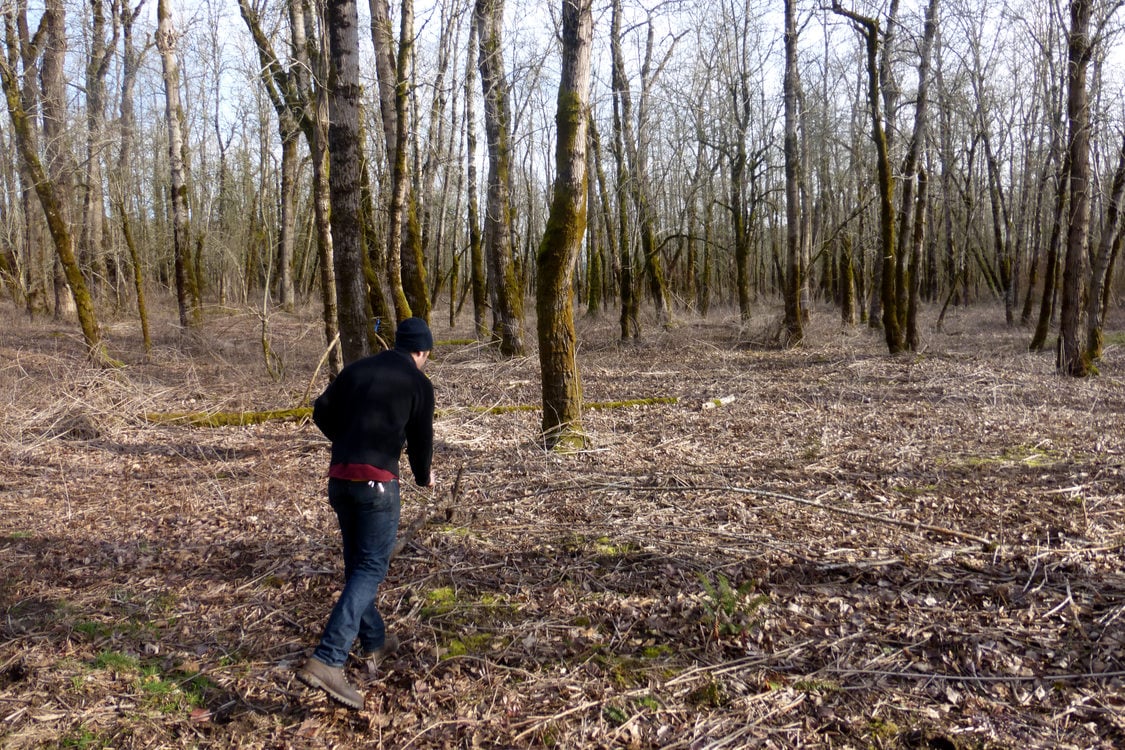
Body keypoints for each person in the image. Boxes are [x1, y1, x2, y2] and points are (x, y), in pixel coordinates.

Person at [296, 317, 436, 709]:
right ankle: (328, 658)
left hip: (340, 477)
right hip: (377, 483)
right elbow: (421, 442)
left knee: (357, 565)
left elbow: (321, 409)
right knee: (372, 568)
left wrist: (345, 442)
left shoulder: (357, 369)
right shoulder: (418, 384)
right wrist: (423, 477)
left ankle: (375, 641)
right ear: (422, 352)